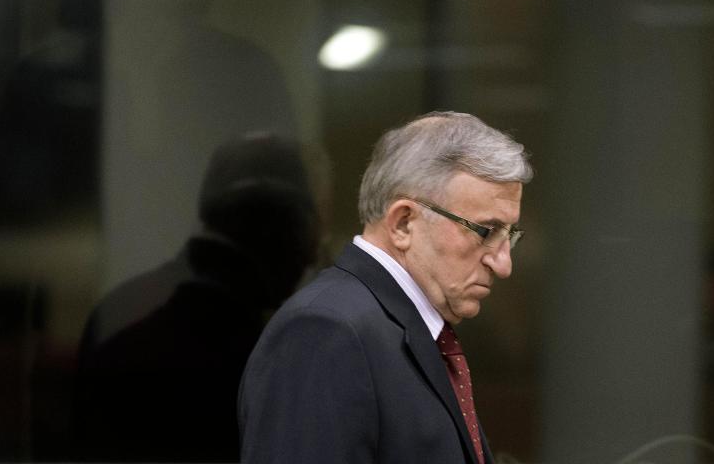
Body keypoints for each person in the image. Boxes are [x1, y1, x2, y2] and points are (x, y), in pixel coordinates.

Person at [238, 111, 533, 464]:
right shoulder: (324, 331)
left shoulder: (400, 328)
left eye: (509, 236)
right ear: (404, 223)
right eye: (486, 231)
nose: (503, 264)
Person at [71, 133, 320, 463]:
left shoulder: (119, 310)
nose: (312, 257)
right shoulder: (252, 348)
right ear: (280, 229)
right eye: (308, 230)